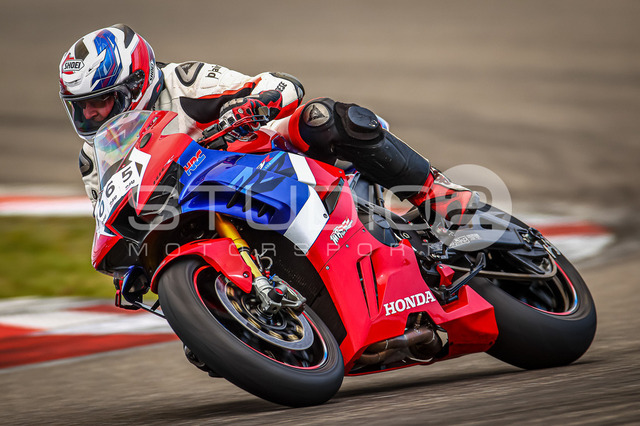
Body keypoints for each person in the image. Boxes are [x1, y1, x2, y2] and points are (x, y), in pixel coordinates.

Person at [59, 24, 477, 225]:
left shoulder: (184, 81)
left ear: (139, 82)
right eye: (81, 106)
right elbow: (109, 219)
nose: (90, 114)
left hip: (259, 161)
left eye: (100, 101)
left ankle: (435, 193)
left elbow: (281, 84)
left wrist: (253, 105)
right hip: (200, 212)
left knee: (322, 117)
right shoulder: (95, 158)